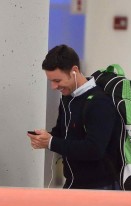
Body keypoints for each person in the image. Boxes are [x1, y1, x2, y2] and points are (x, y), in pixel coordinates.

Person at [27, 44, 122, 190]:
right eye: (51, 81)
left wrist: (51, 142)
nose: (53, 87)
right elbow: (62, 133)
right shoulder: (67, 97)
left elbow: (95, 149)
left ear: (74, 71)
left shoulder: (99, 102)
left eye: (57, 81)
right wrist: (44, 137)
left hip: (100, 188)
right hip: (73, 184)